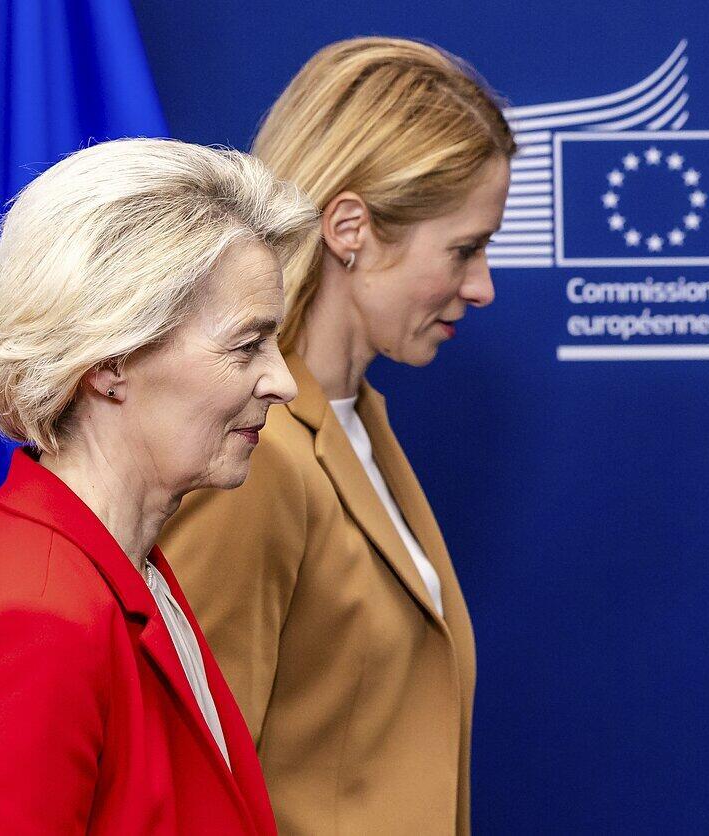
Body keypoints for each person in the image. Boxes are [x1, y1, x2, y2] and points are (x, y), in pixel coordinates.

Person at [0, 138, 317, 834]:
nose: (282, 382)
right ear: (109, 361)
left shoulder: (125, 570)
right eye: (247, 346)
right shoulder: (36, 621)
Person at [158, 37, 515, 835]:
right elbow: (194, 784)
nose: (483, 286)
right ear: (350, 227)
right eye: (464, 249)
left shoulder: (355, 424)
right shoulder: (254, 456)